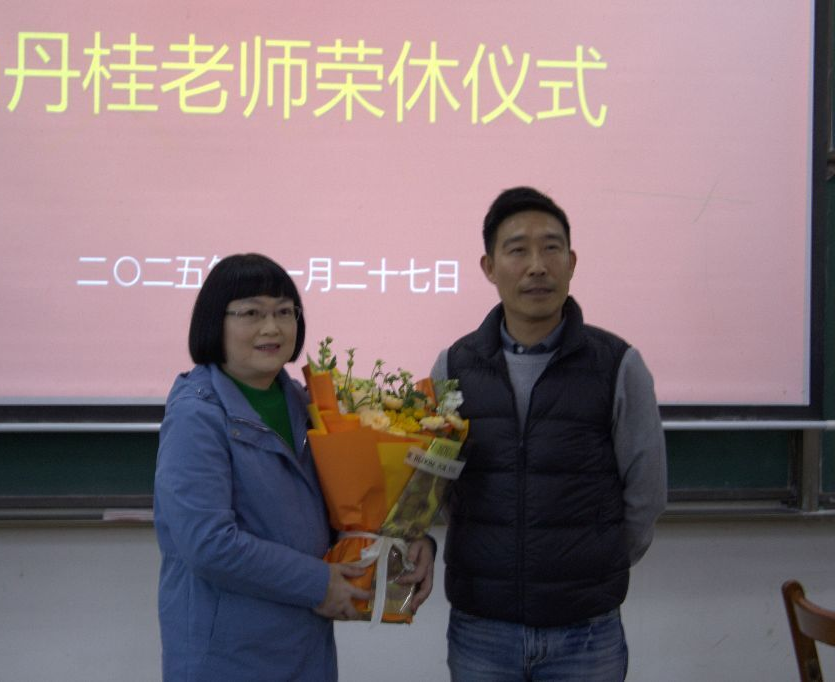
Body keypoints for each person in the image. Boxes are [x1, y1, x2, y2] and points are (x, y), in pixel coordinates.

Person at [155, 253, 431, 681]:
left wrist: (408, 539)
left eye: (285, 312)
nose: (272, 327)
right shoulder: (197, 415)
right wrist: (318, 583)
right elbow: (208, 544)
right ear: (214, 323)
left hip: (304, 648)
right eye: (252, 313)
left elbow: (346, 508)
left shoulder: (308, 406)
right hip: (227, 655)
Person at [431, 187, 668, 681]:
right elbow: (439, 487)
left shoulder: (617, 365)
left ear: (572, 262)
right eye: (518, 250)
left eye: (551, 248)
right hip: (482, 628)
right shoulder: (453, 367)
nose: (537, 266)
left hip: (586, 631)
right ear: (489, 267)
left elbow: (645, 492)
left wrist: (594, 565)